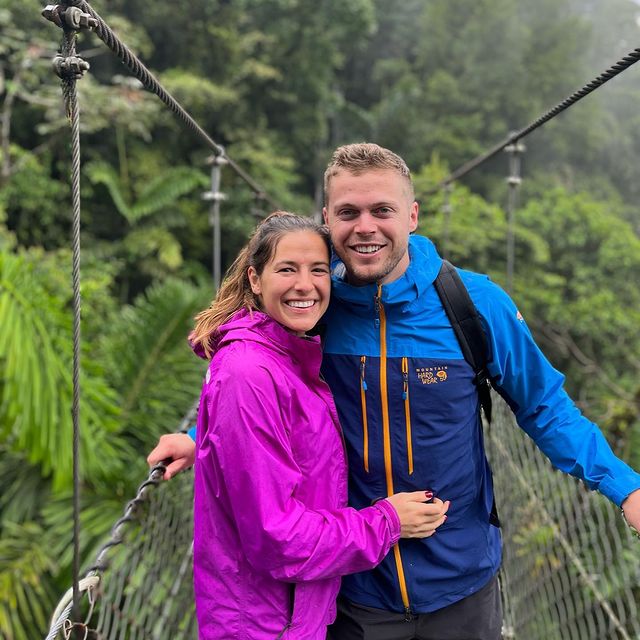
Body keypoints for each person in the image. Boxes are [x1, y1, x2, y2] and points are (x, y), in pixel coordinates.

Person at [148, 145, 640, 640]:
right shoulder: (314, 305)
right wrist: (203, 437)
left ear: (412, 215)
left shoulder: (473, 305)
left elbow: (544, 406)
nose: (365, 227)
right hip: (355, 591)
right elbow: (263, 393)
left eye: (382, 210)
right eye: (348, 213)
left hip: (461, 584)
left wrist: (625, 486)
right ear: (327, 219)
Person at [181, 211, 449, 640]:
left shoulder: (286, 359)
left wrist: (198, 441)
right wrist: (388, 522)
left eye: (318, 270)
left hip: (290, 614)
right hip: (267, 624)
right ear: (255, 279)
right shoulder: (250, 374)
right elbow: (276, 537)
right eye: (287, 269)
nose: (304, 285)